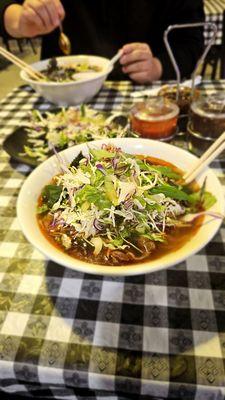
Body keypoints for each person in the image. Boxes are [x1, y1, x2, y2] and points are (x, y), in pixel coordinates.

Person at [0, 0, 205, 82]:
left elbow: (191, 40)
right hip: (57, 93)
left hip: (145, 97)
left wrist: (159, 66)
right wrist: (19, 21)